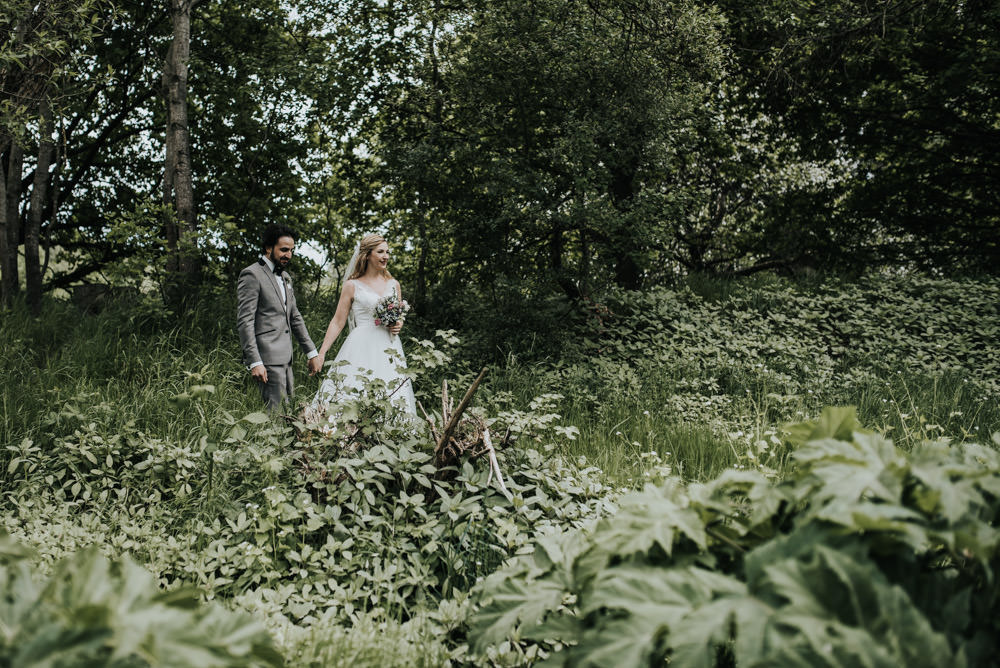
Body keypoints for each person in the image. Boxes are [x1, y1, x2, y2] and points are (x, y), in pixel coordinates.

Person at [310, 233, 417, 416]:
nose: (386, 256)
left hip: (389, 346)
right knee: (353, 389)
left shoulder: (394, 284)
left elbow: (398, 317)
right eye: (381, 252)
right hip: (360, 345)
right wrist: (321, 353)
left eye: (387, 252)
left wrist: (398, 325)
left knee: (391, 390)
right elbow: (337, 321)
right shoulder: (352, 285)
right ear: (367, 255)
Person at [237, 225, 322, 411]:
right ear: (269, 248)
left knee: (288, 413)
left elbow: (295, 317)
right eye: (284, 250)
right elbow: (245, 321)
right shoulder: (252, 274)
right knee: (274, 416)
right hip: (266, 358)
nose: (288, 255)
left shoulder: (285, 277)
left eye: (291, 250)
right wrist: (255, 361)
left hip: (286, 357)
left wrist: (312, 353)